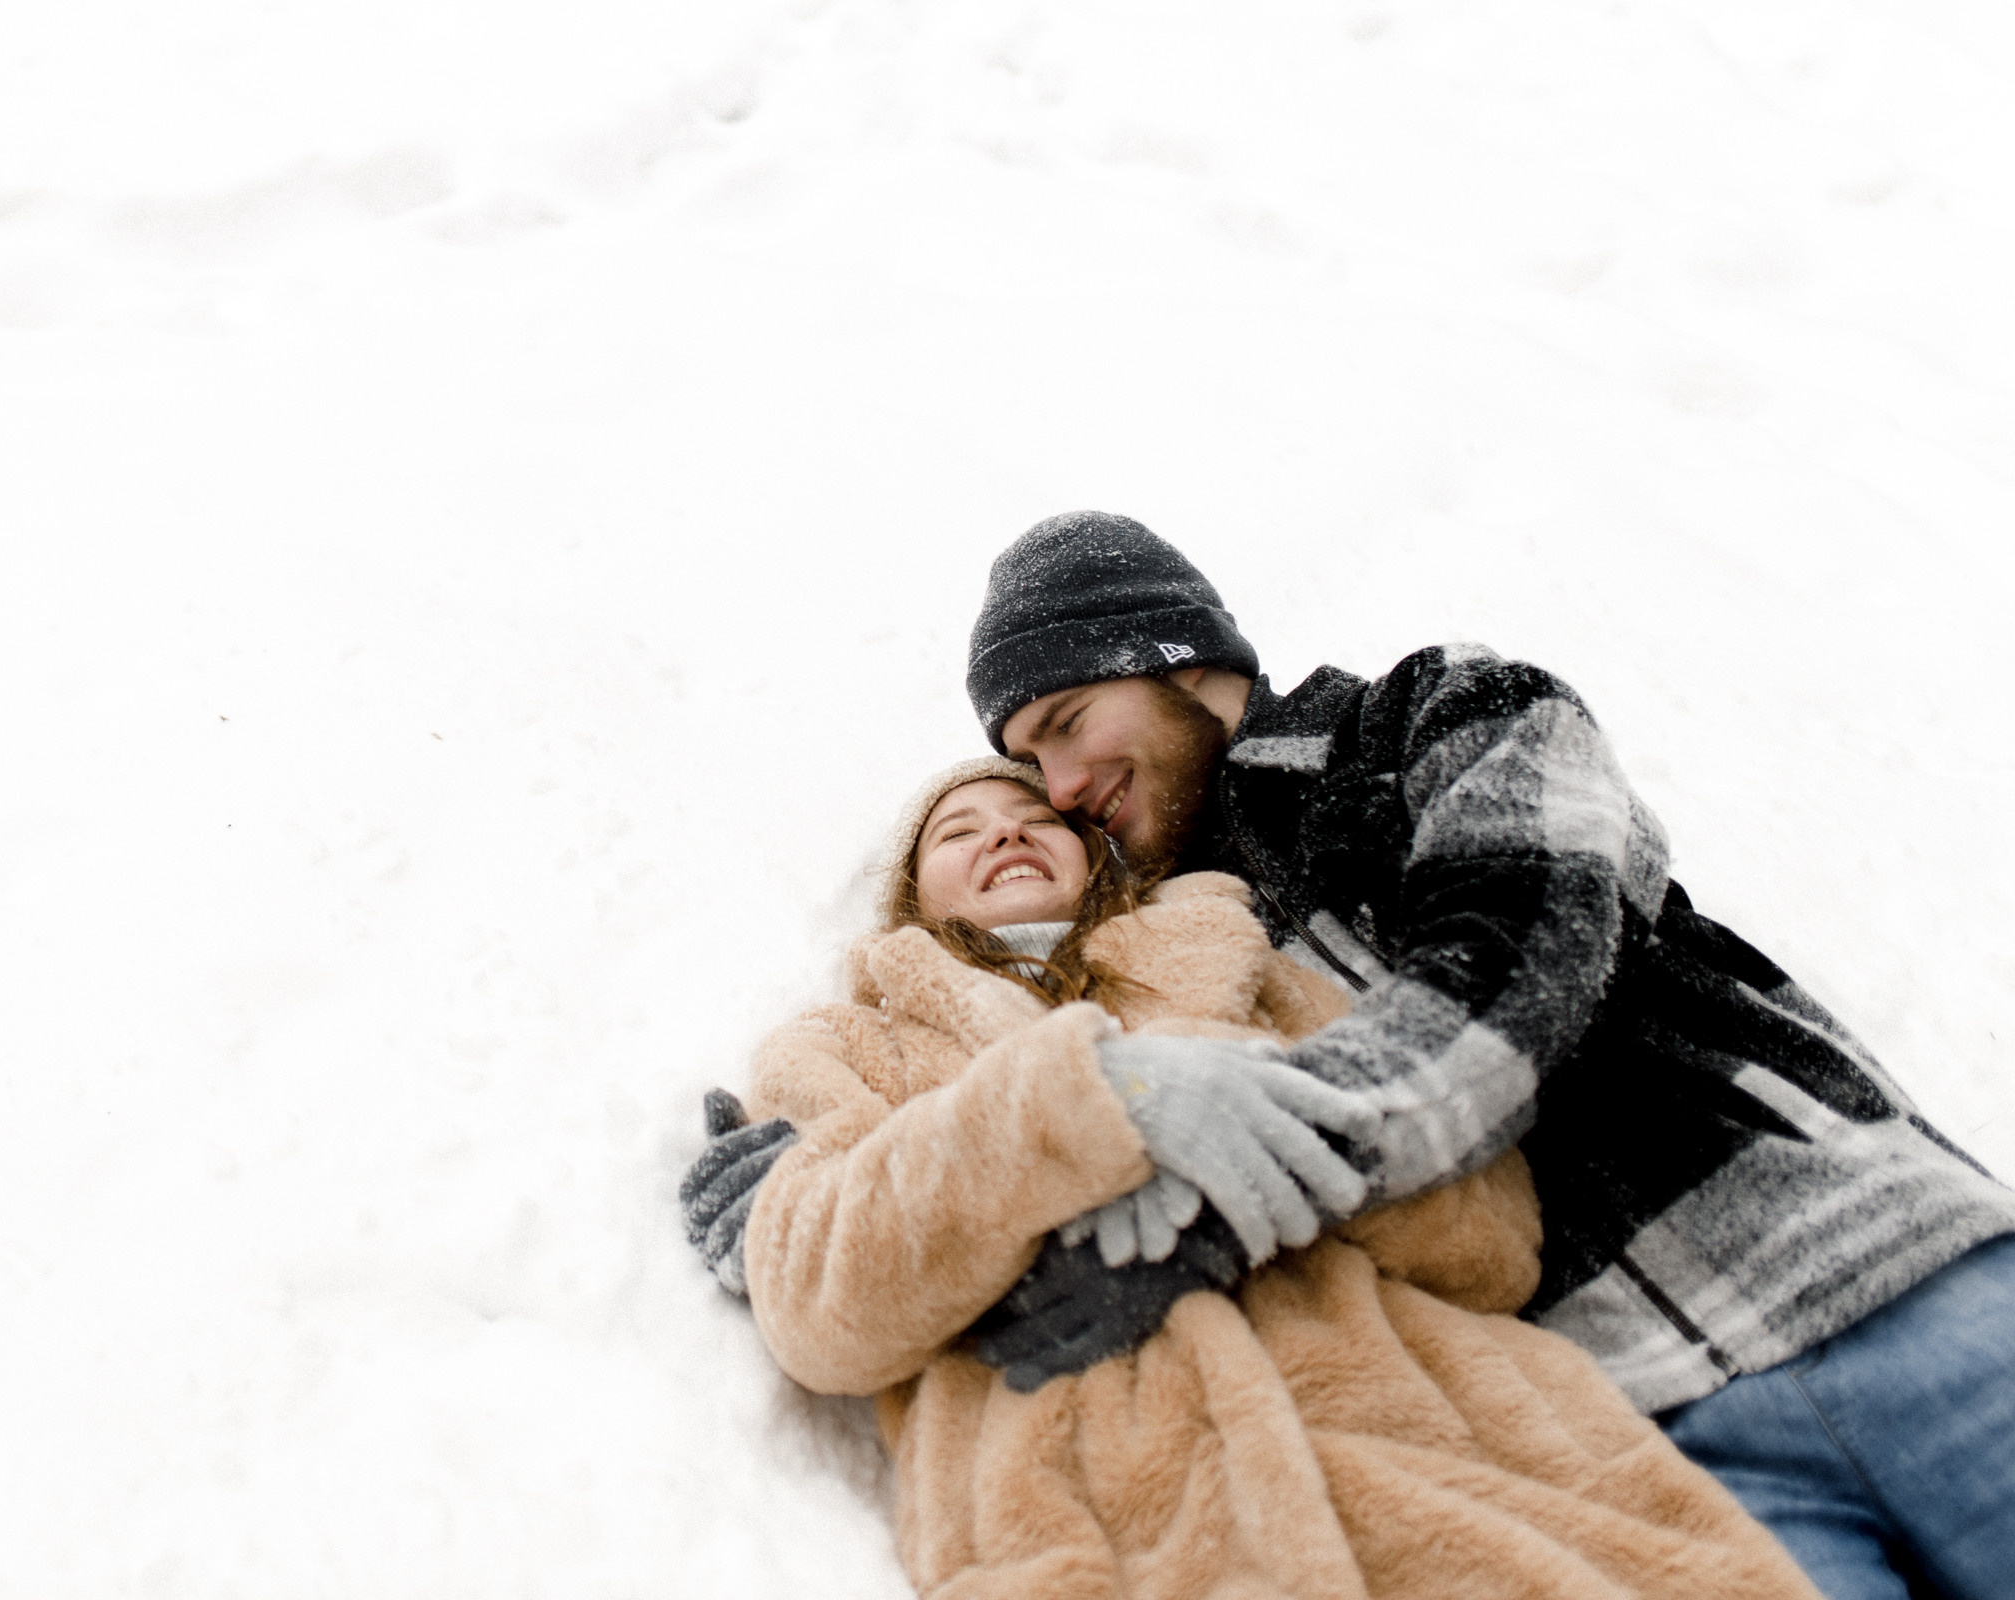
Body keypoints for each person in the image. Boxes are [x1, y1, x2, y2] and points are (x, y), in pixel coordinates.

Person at [689, 511, 2015, 1600]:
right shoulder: (1183, 953)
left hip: (1885, 1273)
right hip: (1658, 1432)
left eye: (1065, 726)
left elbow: (1516, 967)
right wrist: (802, 1213)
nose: (1062, 788)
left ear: (1172, 657)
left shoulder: (1431, 720)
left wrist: (1197, 1194)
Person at [686, 759, 1821, 1599]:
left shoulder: (1252, 975)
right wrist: (1075, 1110)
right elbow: (819, 1291)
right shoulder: (849, 1051)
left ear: (1099, 856)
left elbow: (1490, 1229)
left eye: (1037, 815)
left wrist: (1244, 1143)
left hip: (1453, 1452)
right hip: (1102, 1524)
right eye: (960, 830)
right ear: (909, 896)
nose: (1006, 834)